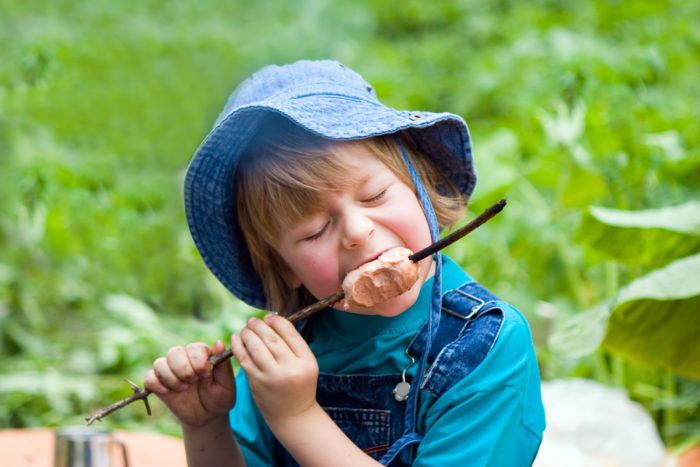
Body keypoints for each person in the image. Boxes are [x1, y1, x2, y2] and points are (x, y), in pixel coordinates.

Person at [144, 59, 546, 466]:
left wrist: (297, 416)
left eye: (374, 196)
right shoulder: (284, 351)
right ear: (284, 266)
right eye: (314, 231)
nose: (357, 231)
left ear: (421, 188)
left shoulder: (485, 350)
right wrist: (205, 424)